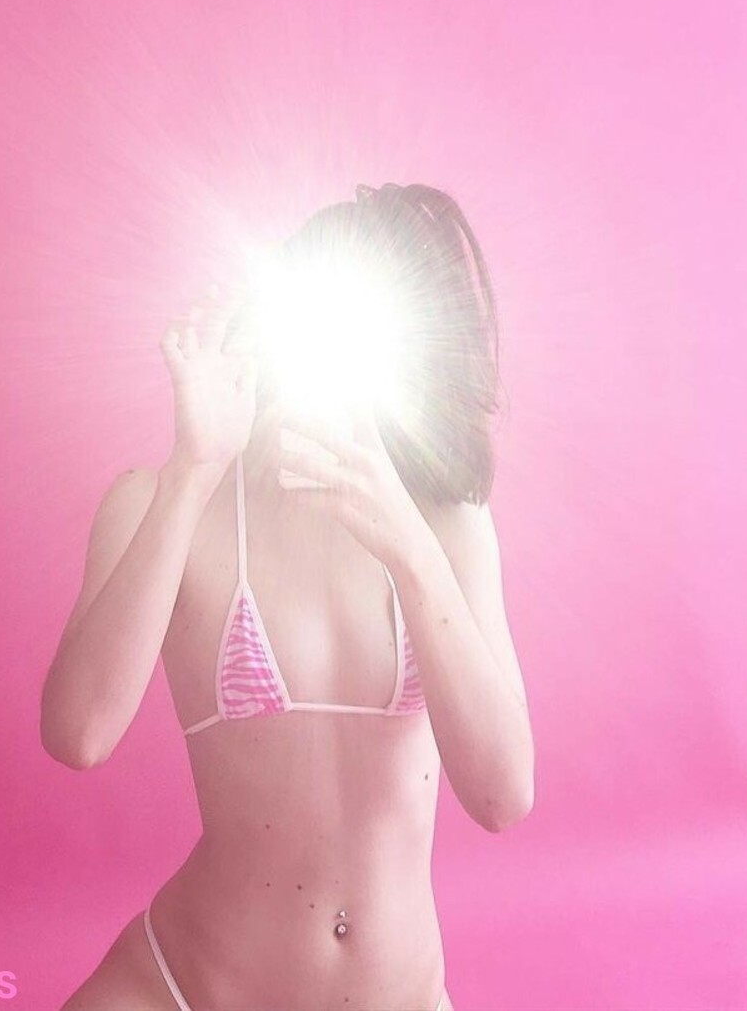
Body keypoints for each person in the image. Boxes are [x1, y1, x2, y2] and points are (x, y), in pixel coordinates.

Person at [41, 183, 535, 1011]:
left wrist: (409, 547)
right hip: (189, 986)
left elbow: (503, 795)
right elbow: (78, 734)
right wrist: (193, 468)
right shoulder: (165, 498)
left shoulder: (450, 523)